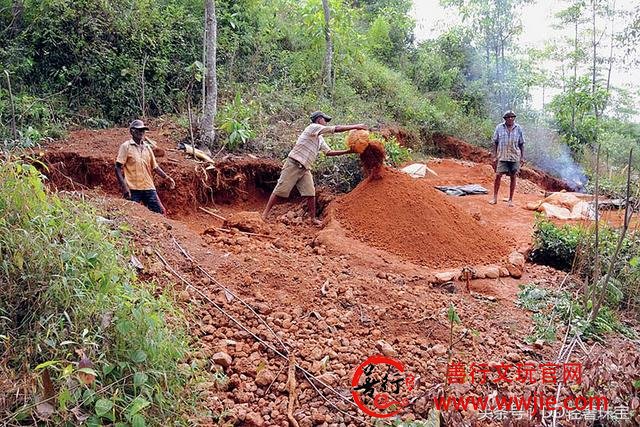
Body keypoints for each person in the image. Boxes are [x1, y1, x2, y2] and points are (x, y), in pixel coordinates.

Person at [262, 111, 367, 225]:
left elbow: (328, 152)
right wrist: (356, 126)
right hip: (294, 163)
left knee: (311, 193)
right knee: (280, 190)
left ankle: (313, 219)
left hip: (305, 168)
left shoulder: (320, 138)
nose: (326, 122)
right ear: (318, 119)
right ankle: (264, 215)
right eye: (324, 120)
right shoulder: (312, 128)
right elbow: (335, 129)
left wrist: (348, 151)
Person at [115, 119, 175, 214]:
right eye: (138, 130)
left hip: (148, 187)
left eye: (143, 130)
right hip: (133, 188)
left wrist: (167, 177)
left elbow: (155, 167)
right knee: (131, 214)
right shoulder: (126, 146)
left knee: (160, 212)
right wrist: (124, 187)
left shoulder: (147, 148)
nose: (141, 132)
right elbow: (117, 167)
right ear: (132, 131)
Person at [490, 110, 525, 207]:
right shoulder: (499, 127)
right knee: (498, 175)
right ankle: (495, 198)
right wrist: (495, 155)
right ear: (505, 119)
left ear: (514, 118)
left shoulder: (518, 128)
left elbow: (521, 144)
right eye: (508, 117)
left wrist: (522, 157)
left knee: (513, 177)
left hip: (514, 157)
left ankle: (510, 200)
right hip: (502, 156)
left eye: (512, 117)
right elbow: (495, 142)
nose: (510, 118)